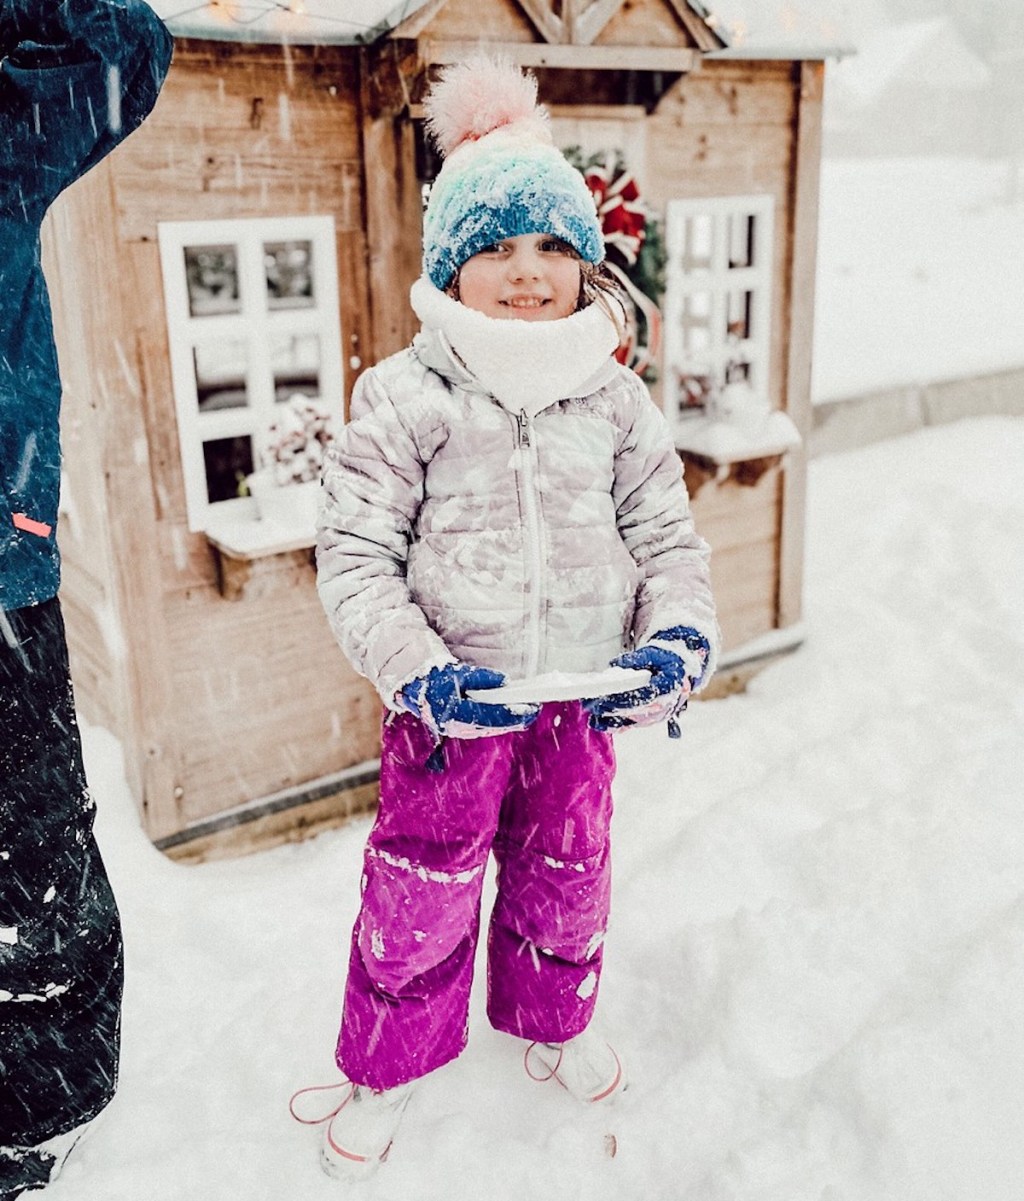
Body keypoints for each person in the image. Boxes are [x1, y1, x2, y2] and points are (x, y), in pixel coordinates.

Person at [295, 55, 719, 1181]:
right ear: (450, 263)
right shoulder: (405, 396)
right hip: (450, 709)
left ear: (583, 263)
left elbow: (667, 542)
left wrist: (674, 639)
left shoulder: (616, 399)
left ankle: (549, 1024)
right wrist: (418, 669)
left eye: (550, 249)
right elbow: (354, 557)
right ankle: (386, 1062)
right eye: (494, 248)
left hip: (577, 700)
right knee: (419, 893)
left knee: (566, 872)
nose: (526, 274)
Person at [0, 3, 172, 1197]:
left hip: (0, 584)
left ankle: (39, 1123)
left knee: (37, 862)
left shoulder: (8, 128)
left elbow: (127, 52)